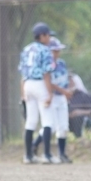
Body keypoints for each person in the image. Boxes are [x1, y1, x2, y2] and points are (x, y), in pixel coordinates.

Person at [18, 22, 58, 164]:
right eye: (47, 35)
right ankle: (47, 155)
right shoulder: (45, 50)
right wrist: (50, 93)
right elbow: (46, 73)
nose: (49, 38)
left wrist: (23, 93)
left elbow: (23, 73)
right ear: (41, 36)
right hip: (40, 83)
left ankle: (28, 156)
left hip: (27, 84)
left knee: (31, 121)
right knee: (47, 121)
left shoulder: (26, 49)